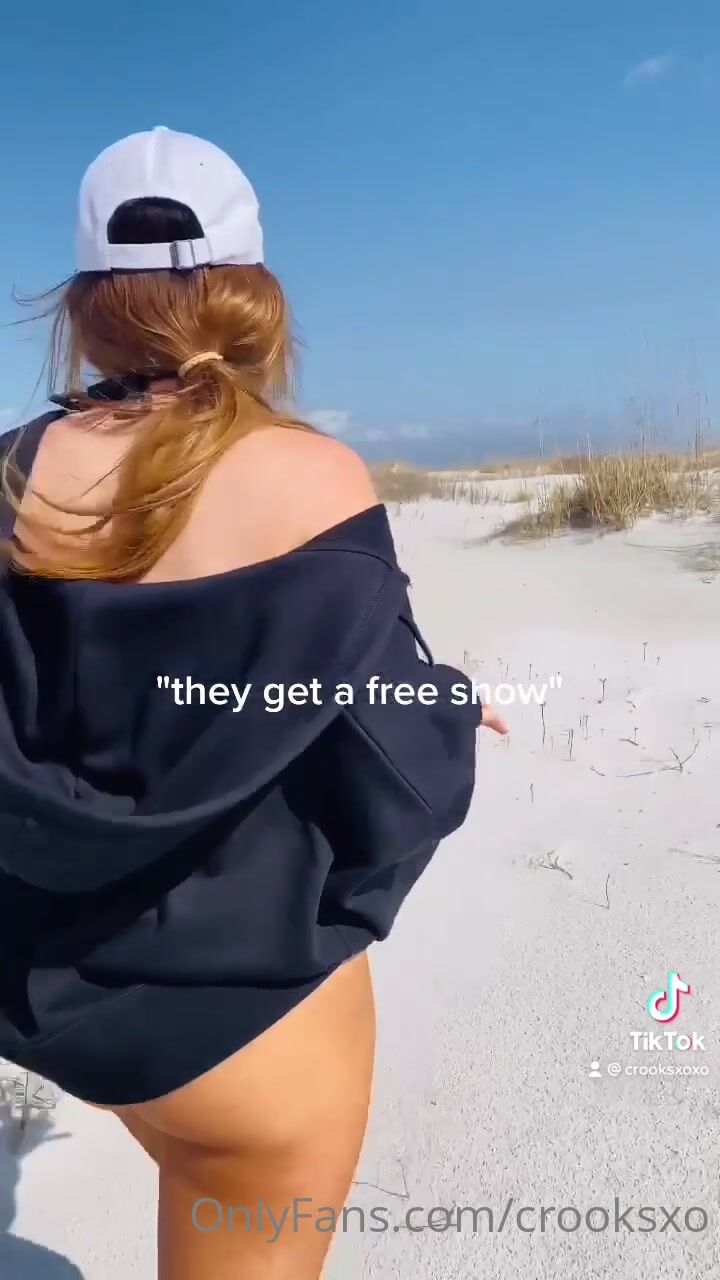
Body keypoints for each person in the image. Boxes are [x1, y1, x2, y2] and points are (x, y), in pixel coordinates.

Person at [0, 126, 508, 1279]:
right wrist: (444, 703)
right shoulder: (310, 475)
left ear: (85, 303)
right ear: (251, 294)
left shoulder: (11, 472)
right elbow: (398, 773)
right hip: (251, 1027)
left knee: (181, 1150)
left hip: (59, 997)